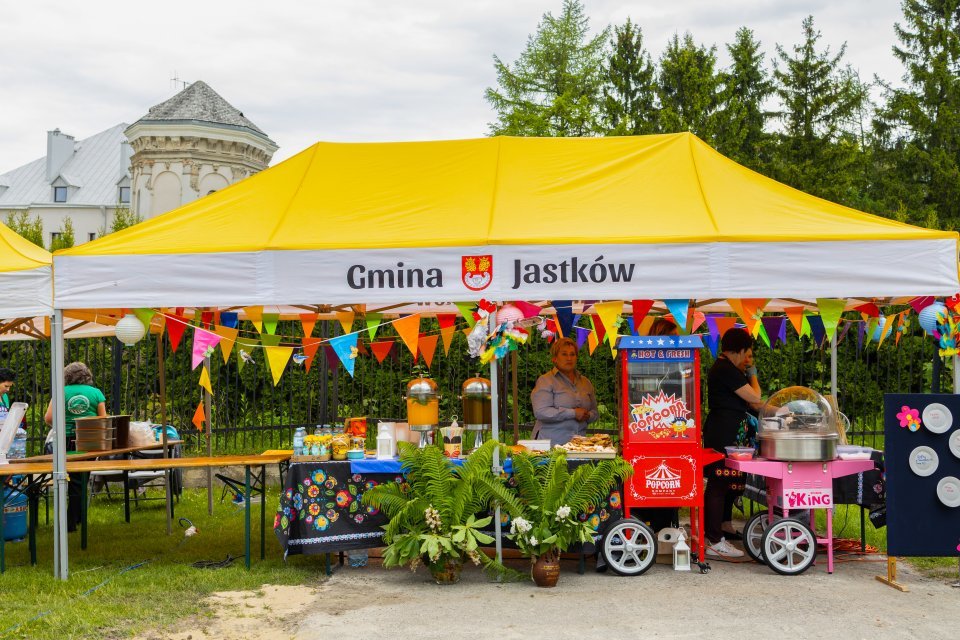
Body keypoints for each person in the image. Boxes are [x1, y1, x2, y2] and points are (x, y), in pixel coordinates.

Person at [702, 327, 763, 559]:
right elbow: (755, 397)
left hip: (731, 431)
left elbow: (754, 403)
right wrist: (753, 374)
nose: (748, 359)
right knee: (719, 483)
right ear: (739, 350)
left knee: (729, 482)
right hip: (723, 432)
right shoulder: (725, 369)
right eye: (747, 353)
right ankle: (714, 539)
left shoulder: (729, 369)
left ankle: (724, 526)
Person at [43, 361, 107, 532]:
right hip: (89, 440)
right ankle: (74, 519)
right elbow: (103, 420)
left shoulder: (61, 392)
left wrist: (62, 425)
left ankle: (73, 519)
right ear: (87, 375)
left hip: (65, 439)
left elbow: (48, 418)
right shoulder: (96, 393)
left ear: (67, 376)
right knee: (81, 479)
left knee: (73, 479)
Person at [531, 337, 598, 447]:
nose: (569, 358)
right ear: (555, 358)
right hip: (550, 446)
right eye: (564, 354)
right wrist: (573, 413)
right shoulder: (545, 381)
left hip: (578, 446)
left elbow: (595, 412)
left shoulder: (586, 382)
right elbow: (541, 412)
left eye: (572, 354)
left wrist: (588, 415)